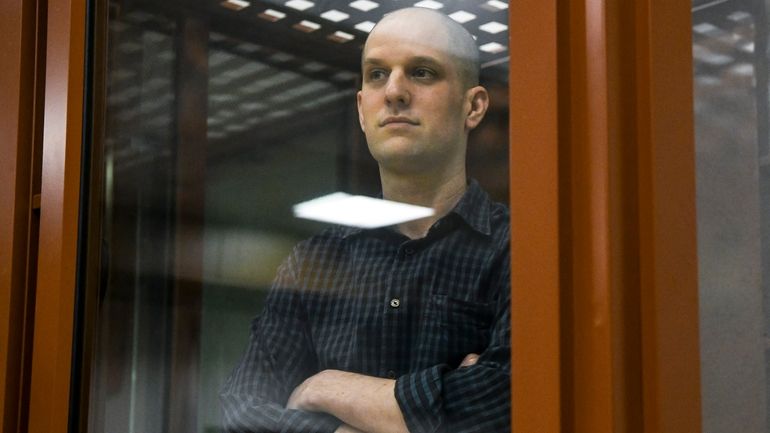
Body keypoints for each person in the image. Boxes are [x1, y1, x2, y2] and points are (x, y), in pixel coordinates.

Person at [220, 7, 511, 433]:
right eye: (376, 75)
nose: (394, 91)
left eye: (423, 72)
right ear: (361, 108)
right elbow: (242, 412)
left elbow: (508, 398)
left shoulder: (515, 248)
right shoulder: (313, 261)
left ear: (474, 106)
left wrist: (329, 388)